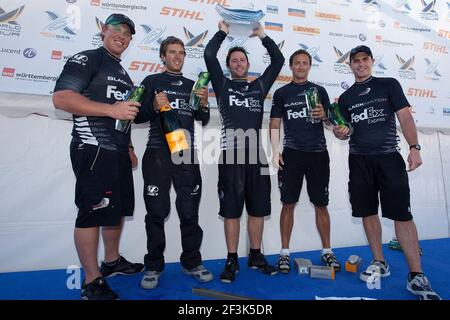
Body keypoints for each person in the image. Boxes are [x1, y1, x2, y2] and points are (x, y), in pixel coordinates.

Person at [333, 45, 441, 300]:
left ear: (371, 61)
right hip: (359, 161)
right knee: (368, 212)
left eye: (364, 59)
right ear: (350, 65)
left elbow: (405, 117)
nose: (360, 64)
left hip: (389, 159)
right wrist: (340, 131)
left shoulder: (389, 84)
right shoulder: (346, 98)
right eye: (355, 61)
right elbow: (345, 129)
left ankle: (416, 275)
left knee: (402, 215)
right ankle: (380, 261)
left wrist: (414, 147)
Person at [52, 13, 144, 300]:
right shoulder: (87, 58)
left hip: (116, 151)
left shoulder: (123, 73)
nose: (122, 35)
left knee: (113, 211)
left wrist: (127, 146)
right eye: (116, 29)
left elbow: (124, 113)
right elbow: (62, 98)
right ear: (103, 31)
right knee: (92, 213)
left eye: (127, 33)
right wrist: (111, 110)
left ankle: (112, 261)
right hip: (92, 148)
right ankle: (92, 281)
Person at [204, 21, 284, 283]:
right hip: (230, 156)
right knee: (231, 211)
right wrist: (223, 32)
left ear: (248, 64)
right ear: (229, 66)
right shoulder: (223, 85)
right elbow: (208, 55)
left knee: (258, 209)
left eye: (242, 60)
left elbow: (278, 59)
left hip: (257, 157)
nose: (238, 63)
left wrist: (261, 35)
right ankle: (231, 260)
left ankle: (256, 255)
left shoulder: (259, 87)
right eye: (234, 60)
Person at [133, 36, 213, 289]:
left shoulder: (192, 85)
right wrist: (155, 108)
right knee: (156, 212)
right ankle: (153, 266)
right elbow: (137, 117)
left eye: (181, 53)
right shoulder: (152, 81)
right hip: (158, 153)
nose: (177, 57)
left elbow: (203, 118)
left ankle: (191, 262)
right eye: (172, 52)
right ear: (163, 56)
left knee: (189, 212)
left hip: (186, 154)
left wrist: (204, 103)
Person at [269, 49, 341, 274]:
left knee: (321, 204)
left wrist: (326, 117)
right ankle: (284, 254)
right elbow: (274, 124)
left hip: (318, 154)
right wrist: (275, 151)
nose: (300, 67)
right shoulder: (281, 93)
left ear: (310, 66)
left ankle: (327, 251)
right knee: (287, 204)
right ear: (291, 66)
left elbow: (332, 122)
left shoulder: (319, 91)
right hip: (291, 154)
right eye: (297, 63)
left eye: (305, 63)